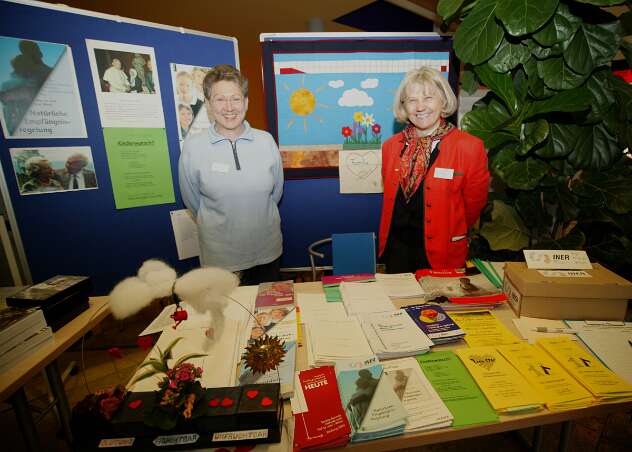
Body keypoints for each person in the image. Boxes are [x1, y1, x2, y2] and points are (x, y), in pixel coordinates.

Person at [178, 64, 284, 286]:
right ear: (207, 104)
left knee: (268, 316)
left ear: (246, 102)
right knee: (227, 319)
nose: (229, 107)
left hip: (267, 253)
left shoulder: (266, 141)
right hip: (221, 260)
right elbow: (193, 202)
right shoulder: (193, 147)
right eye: (219, 99)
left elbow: (275, 193)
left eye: (236, 98)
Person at [379, 67, 489, 273]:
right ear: (404, 106)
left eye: (428, 98)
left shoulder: (468, 147)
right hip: (397, 250)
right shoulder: (390, 147)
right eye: (412, 100)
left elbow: (473, 206)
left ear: (443, 101)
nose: (420, 107)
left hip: (443, 253)